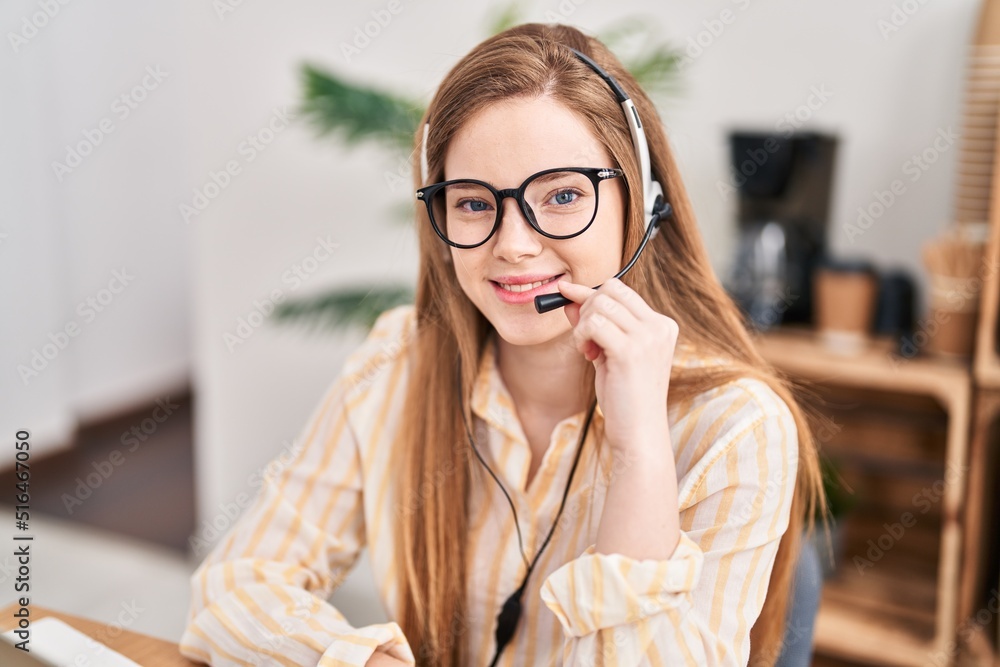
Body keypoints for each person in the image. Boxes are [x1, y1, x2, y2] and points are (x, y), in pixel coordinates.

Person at [179, 22, 825, 667]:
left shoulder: (737, 426)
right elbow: (232, 588)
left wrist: (641, 455)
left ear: (642, 202)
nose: (513, 244)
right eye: (473, 203)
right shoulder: (397, 363)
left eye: (564, 195)